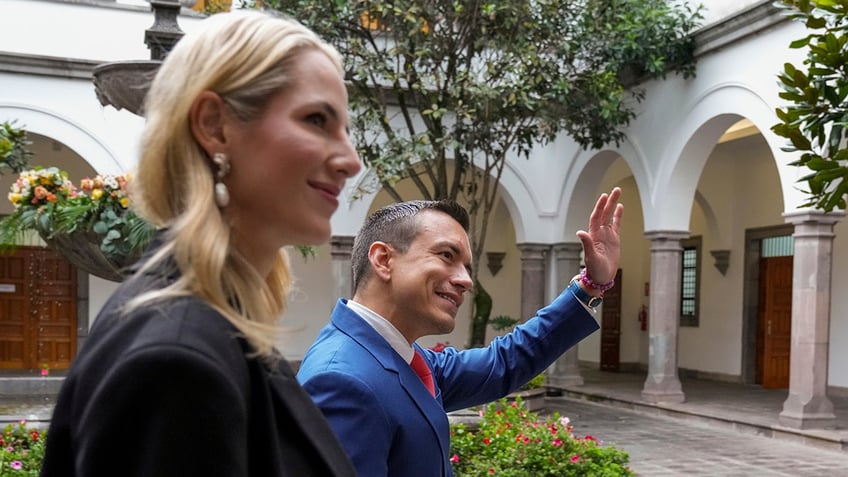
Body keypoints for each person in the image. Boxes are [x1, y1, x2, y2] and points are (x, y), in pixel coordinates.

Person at [40, 10, 361, 477]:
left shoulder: (219, 322)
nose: (350, 160)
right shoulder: (175, 364)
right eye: (316, 120)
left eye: (346, 130)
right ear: (214, 125)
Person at [297, 188, 623, 477]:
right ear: (383, 259)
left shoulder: (400, 355)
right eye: (447, 256)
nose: (466, 279)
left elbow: (503, 363)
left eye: (466, 266)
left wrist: (589, 286)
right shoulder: (342, 381)